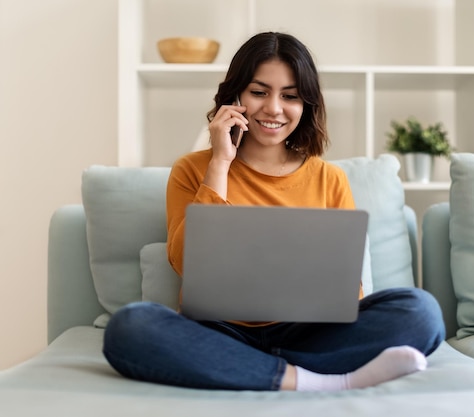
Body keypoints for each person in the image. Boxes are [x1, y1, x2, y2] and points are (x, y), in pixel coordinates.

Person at [103, 32, 445, 391]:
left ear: (306, 104)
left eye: (290, 96)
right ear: (235, 96)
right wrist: (220, 162)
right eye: (259, 92)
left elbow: (349, 292)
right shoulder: (192, 169)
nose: (274, 108)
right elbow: (184, 260)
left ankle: (249, 371)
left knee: (421, 313)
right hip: (218, 331)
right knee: (131, 326)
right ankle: (317, 380)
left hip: (309, 334)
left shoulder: (330, 178)